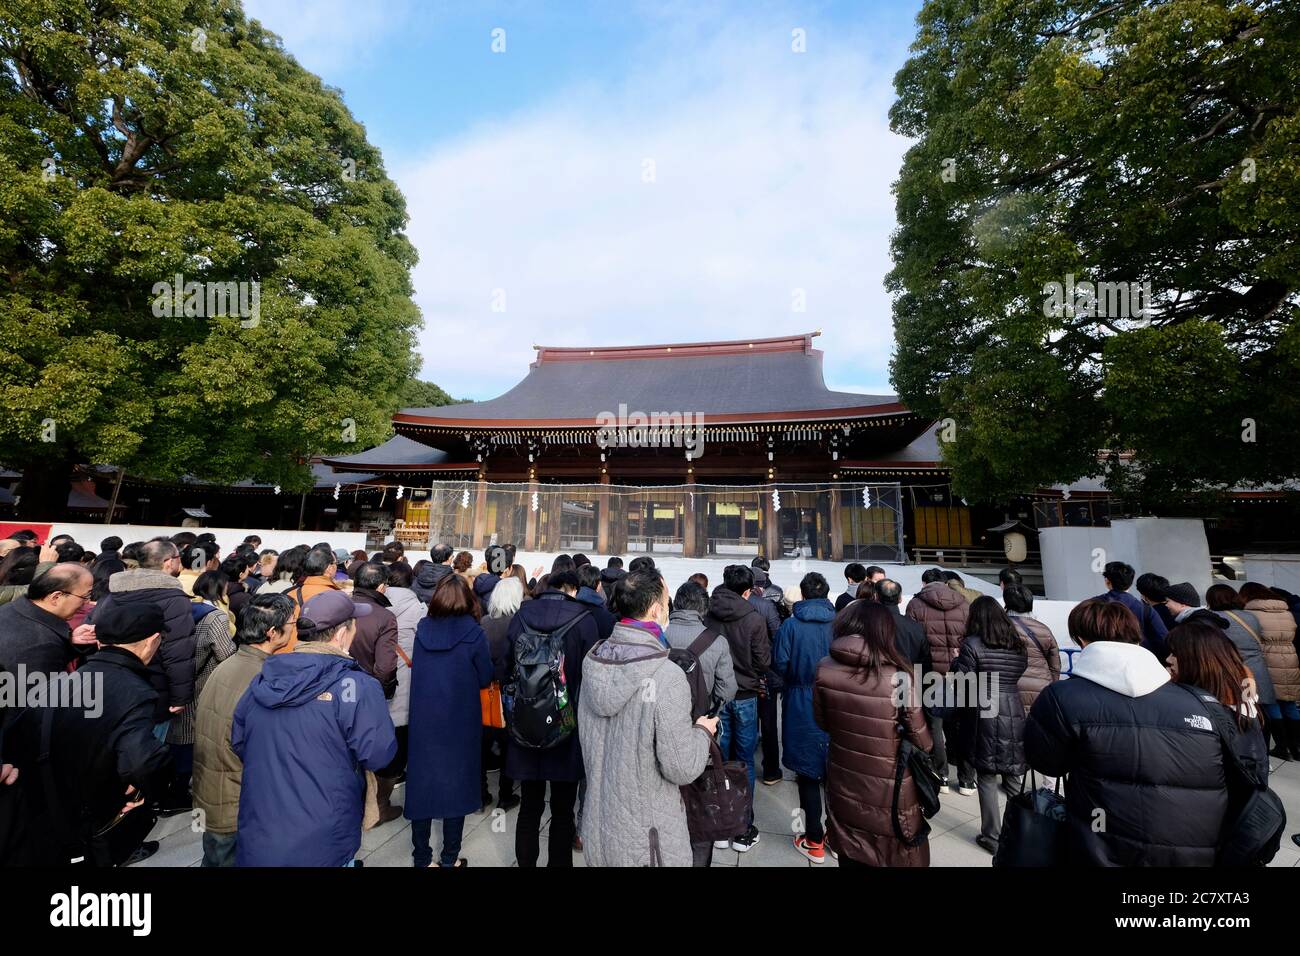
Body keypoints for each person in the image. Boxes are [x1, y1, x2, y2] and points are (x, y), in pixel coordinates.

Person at [1024, 600, 1228, 865]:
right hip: (1191, 849)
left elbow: (1046, 761)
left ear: (1081, 640)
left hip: (1097, 842)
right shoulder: (1201, 703)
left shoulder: (1063, 697)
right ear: (1135, 636)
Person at [3, 601, 173, 866]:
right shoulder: (134, 692)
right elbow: (143, 761)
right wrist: (144, 791)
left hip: (37, 813)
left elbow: (17, 737)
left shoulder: (63, 681)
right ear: (152, 640)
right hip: (84, 821)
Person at [233, 590, 396, 867]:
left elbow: (239, 742)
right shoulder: (357, 686)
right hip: (325, 831)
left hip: (261, 824)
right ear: (342, 634)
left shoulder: (265, 678)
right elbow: (379, 754)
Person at [579, 569, 717, 866]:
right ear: (655, 608)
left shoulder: (593, 661)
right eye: (667, 602)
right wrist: (703, 732)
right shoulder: (666, 675)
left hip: (598, 826)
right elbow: (681, 767)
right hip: (648, 838)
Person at [813, 600, 933, 867]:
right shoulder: (899, 674)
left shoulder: (825, 667)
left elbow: (822, 721)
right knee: (895, 851)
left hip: (844, 776)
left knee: (852, 847)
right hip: (890, 784)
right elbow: (923, 742)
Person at [504, 567, 601, 866]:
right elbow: (592, 680)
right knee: (562, 809)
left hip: (525, 724)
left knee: (529, 808)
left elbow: (507, 670)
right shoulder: (585, 621)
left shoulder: (519, 617)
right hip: (566, 723)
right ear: (571, 588)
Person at [192, 592, 295, 866]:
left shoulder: (227, 665)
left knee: (214, 857)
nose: (296, 628)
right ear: (273, 632)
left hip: (211, 791)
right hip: (234, 800)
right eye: (292, 623)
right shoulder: (261, 680)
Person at [405, 575, 492, 868]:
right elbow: (484, 677)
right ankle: (449, 858)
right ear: (468, 600)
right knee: (457, 783)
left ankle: (421, 858)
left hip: (424, 718)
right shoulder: (474, 633)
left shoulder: (423, 630)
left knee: (421, 783)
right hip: (461, 718)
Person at [89, 539, 197, 738]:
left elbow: (93, 631)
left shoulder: (115, 591)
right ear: (168, 562)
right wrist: (180, 698)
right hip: (154, 691)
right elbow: (178, 651)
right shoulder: (173, 598)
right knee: (147, 752)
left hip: (109, 685)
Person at [664, 579, 737, 866]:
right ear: (702, 607)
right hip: (701, 729)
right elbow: (727, 690)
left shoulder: (660, 636)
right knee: (699, 800)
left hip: (662, 726)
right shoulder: (716, 641)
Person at [950, 596, 1028, 854]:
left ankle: (992, 835)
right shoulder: (1017, 644)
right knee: (1013, 771)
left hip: (983, 710)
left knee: (986, 773)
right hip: (1012, 707)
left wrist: (955, 663)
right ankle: (1021, 830)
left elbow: (963, 682)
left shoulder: (971, 644)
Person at [703, 564, 770, 852]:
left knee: (719, 757)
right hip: (744, 694)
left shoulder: (710, 612)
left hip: (718, 695)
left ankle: (719, 823)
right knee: (744, 760)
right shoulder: (753, 619)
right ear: (746, 591)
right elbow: (763, 660)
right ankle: (743, 825)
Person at [772, 572, 836, 862]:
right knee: (837, 772)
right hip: (836, 700)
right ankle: (837, 837)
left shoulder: (790, 626)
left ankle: (813, 839)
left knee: (808, 773)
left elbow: (781, 662)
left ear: (804, 593)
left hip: (801, 699)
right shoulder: (841, 624)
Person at [1165, 618, 1268, 780]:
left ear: (1197, 659)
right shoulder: (1237, 692)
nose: (1168, 659)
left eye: (1175, 653)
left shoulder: (1205, 713)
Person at [1166, 583, 1276, 722]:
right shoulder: (1250, 616)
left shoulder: (1211, 619)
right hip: (1254, 667)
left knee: (1234, 710)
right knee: (1255, 710)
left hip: (1226, 669)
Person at [344, 561, 401, 822]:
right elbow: (386, 665)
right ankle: (375, 807)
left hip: (336, 686)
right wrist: (382, 690)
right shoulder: (384, 616)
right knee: (374, 751)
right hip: (367, 690)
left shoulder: (340, 606)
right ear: (381, 586)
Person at [906, 567, 969, 792]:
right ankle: (966, 779)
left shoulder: (915, 604)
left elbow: (912, 639)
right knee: (962, 724)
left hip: (930, 672)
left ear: (924, 583)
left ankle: (940, 774)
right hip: (960, 670)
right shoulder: (963, 603)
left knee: (934, 725)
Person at [1238, 581, 1300, 758]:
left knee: (1271, 702)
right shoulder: (1286, 612)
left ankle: (1282, 747)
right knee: (1289, 703)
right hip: (1289, 657)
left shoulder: (1250, 614)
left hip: (1266, 658)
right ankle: (1297, 746)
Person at [0, 563, 98, 676]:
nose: (87, 602)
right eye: (85, 596)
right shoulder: (41, 646)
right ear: (56, 597)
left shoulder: (11, 609)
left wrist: (70, 642)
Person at [481, 576, 523, 811]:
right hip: (509, 691)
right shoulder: (518, 623)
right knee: (509, 743)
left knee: (483, 742)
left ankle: (481, 792)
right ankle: (505, 794)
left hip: (485, 690)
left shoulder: (485, 622)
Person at [749, 556, 786, 787]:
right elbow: (778, 634)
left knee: (745, 721)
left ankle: (742, 765)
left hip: (742, 671)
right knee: (769, 722)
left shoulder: (735, 603)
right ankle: (771, 770)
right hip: (766, 671)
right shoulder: (767, 606)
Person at [1002, 583, 1061, 712]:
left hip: (1008, 688)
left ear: (1006, 602)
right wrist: (1050, 684)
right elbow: (1055, 666)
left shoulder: (998, 628)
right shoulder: (1044, 629)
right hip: (1041, 687)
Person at [1095, 560, 1167, 660]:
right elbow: (1163, 638)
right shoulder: (1145, 609)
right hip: (1137, 660)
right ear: (1130, 582)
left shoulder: (1093, 605)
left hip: (1103, 659)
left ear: (1107, 581)